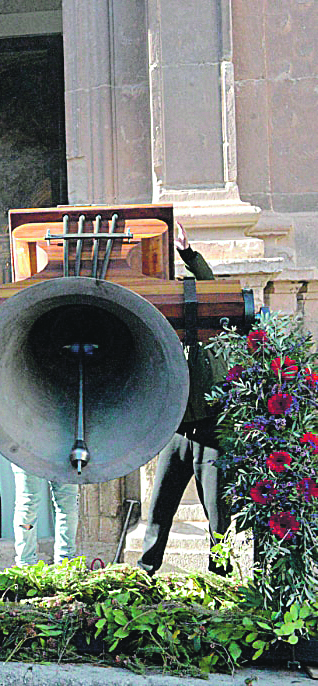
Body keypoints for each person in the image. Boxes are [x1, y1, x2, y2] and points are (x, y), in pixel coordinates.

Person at [138, 222, 230, 576]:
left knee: (216, 509)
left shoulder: (210, 325)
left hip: (210, 427)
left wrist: (187, 254)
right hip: (177, 429)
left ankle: (220, 576)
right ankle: (146, 571)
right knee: (160, 505)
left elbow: (212, 286)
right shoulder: (166, 337)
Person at [10, 464, 79, 565]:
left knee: (68, 506)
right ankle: (26, 565)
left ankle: (65, 564)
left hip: (62, 452)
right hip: (27, 452)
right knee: (28, 504)